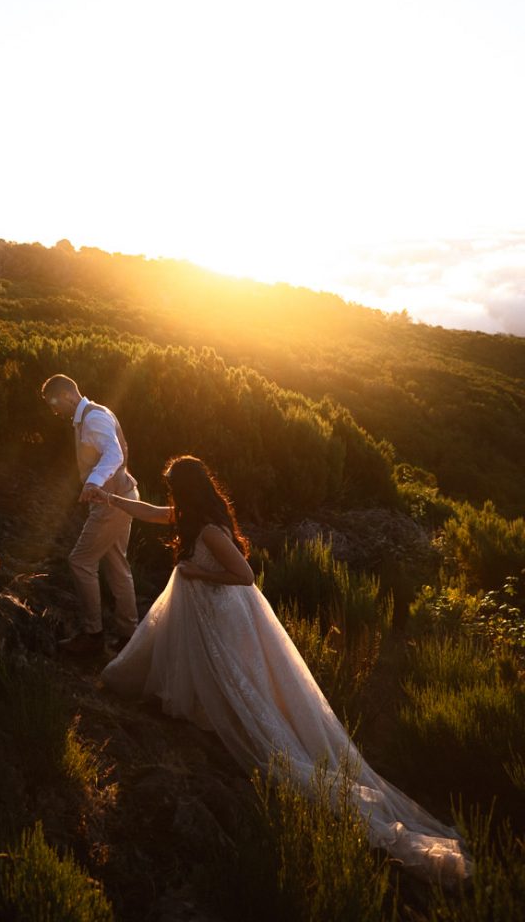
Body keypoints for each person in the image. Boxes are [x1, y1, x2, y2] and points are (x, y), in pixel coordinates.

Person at [94, 455, 472, 884]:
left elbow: (245, 575)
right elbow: (154, 513)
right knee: (214, 674)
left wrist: (195, 570)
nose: (169, 497)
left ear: (186, 491)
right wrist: (112, 499)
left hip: (224, 612)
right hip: (208, 610)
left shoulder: (209, 531)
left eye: (172, 488)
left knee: (239, 684)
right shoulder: (191, 518)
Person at [41, 374, 140, 656]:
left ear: (70, 395)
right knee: (117, 565)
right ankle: (129, 636)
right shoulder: (97, 412)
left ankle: (92, 635)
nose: (54, 410)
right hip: (122, 496)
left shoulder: (93, 418)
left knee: (80, 561)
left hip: (112, 501)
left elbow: (115, 453)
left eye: (55, 403)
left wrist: (94, 481)